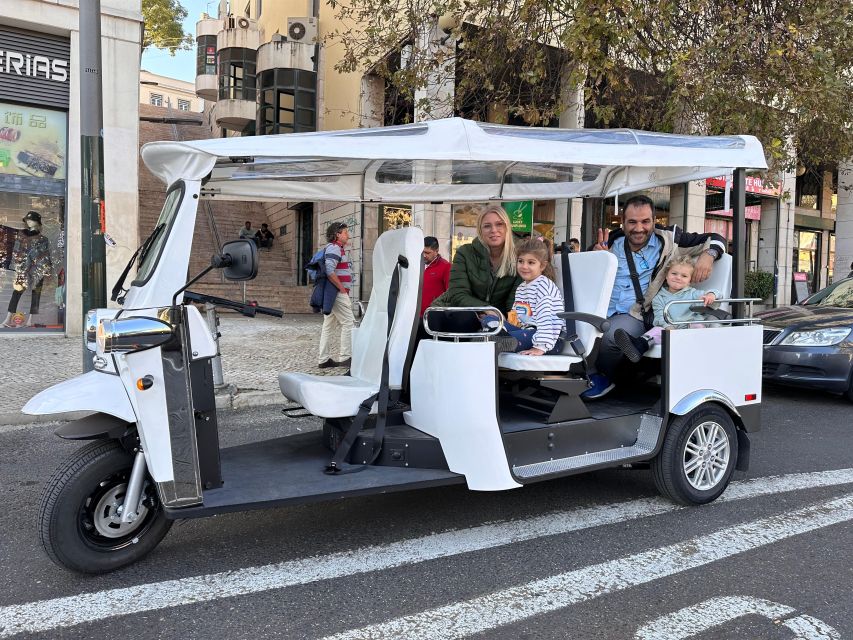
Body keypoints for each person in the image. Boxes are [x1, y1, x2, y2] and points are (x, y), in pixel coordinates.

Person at [586, 194, 726, 399]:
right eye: (632, 222)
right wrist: (595, 254)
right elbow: (590, 268)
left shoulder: (670, 239)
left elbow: (716, 238)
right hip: (601, 307)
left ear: (654, 220)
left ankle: (606, 377)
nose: (639, 228)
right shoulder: (613, 240)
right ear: (623, 222)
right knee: (574, 326)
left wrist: (708, 255)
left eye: (645, 221)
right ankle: (581, 377)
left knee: (609, 335)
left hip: (636, 313)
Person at [428, 204, 522, 332]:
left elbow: (514, 301)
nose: (494, 230)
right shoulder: (464, 253)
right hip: (455, 313)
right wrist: (485, 308)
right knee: (464, 319)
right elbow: (458, 294)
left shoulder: (519, 258)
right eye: (487, 226)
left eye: (499, 224)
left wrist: (504, 317)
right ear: (480, 230)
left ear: (507, 227)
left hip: (493, 319)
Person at [614, 255, 720, 362]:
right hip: (670, 330)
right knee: (657, 330)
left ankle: (704, 350)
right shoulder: (659, 297)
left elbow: (718, 294)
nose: (678, 277)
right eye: (674, 273)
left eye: (684, 276)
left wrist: (711, 295)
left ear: (690, 280)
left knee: (697, 325)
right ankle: (639, 345)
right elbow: (660, 317)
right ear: (666, 276)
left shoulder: (693, 294)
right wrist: (668, 327)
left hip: (689, 329)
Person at [481, 238, 565, 355]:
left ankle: (496, 338)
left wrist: (539, 348)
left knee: (515, 336)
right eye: (521, 261)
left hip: (550, 341)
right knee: (488, 319)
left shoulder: (544, 286)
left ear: (542, 266)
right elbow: (517, 315)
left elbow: (547, 320)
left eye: (531, 262)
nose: (524, 266)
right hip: (526, 331)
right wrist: (506, 323)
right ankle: (497, 336)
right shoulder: (521, 287)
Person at [3, 211, 52, 328]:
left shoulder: (43, 239)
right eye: (27, 220)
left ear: (37, 222)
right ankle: (7, 319)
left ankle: (30, 320)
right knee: (16, 293)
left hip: (37, 270)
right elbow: (16, 251)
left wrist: (47, 270)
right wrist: (17, 266)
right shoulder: (21, 235)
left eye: (32, 220)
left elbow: (45, 255)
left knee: (36, 295)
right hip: (23, 269)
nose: (29, 222)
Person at [317, 221, 355, 369]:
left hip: (333, 292)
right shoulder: (335, 248)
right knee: (349, 322)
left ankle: (323, 359)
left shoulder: (336, 248)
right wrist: (341, 288)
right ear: (337, 235)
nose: (348, 235)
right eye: (345, 232)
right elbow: (329, 270)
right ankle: (345, 357)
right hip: (337, 292)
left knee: (328, 324)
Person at [420, 236, 451, 315]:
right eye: (422, 252)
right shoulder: (417, 265)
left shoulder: (446, 266)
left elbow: (450, 292)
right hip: (416, 316)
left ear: (436, 251)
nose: (424, 255)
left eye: (427, 253)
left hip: (434, 315)